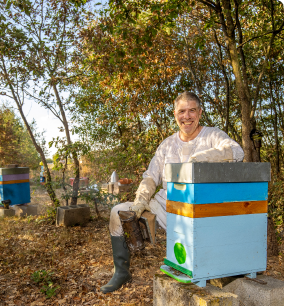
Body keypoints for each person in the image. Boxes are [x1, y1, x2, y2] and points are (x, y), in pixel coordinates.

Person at [100, 91, 244, 294]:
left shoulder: (212, 135)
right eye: (182, 111)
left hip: (202, 208)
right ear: (175, 114)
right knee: (117, 212)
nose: (187, 116)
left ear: (200, 113)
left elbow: (237, 151)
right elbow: (150, 177)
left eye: (192, 111)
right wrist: (140, 201)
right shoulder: (167, 144)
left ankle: (219, 272)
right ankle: (121, 273)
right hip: (166, 205)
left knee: (207, 254)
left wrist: (202, 157)